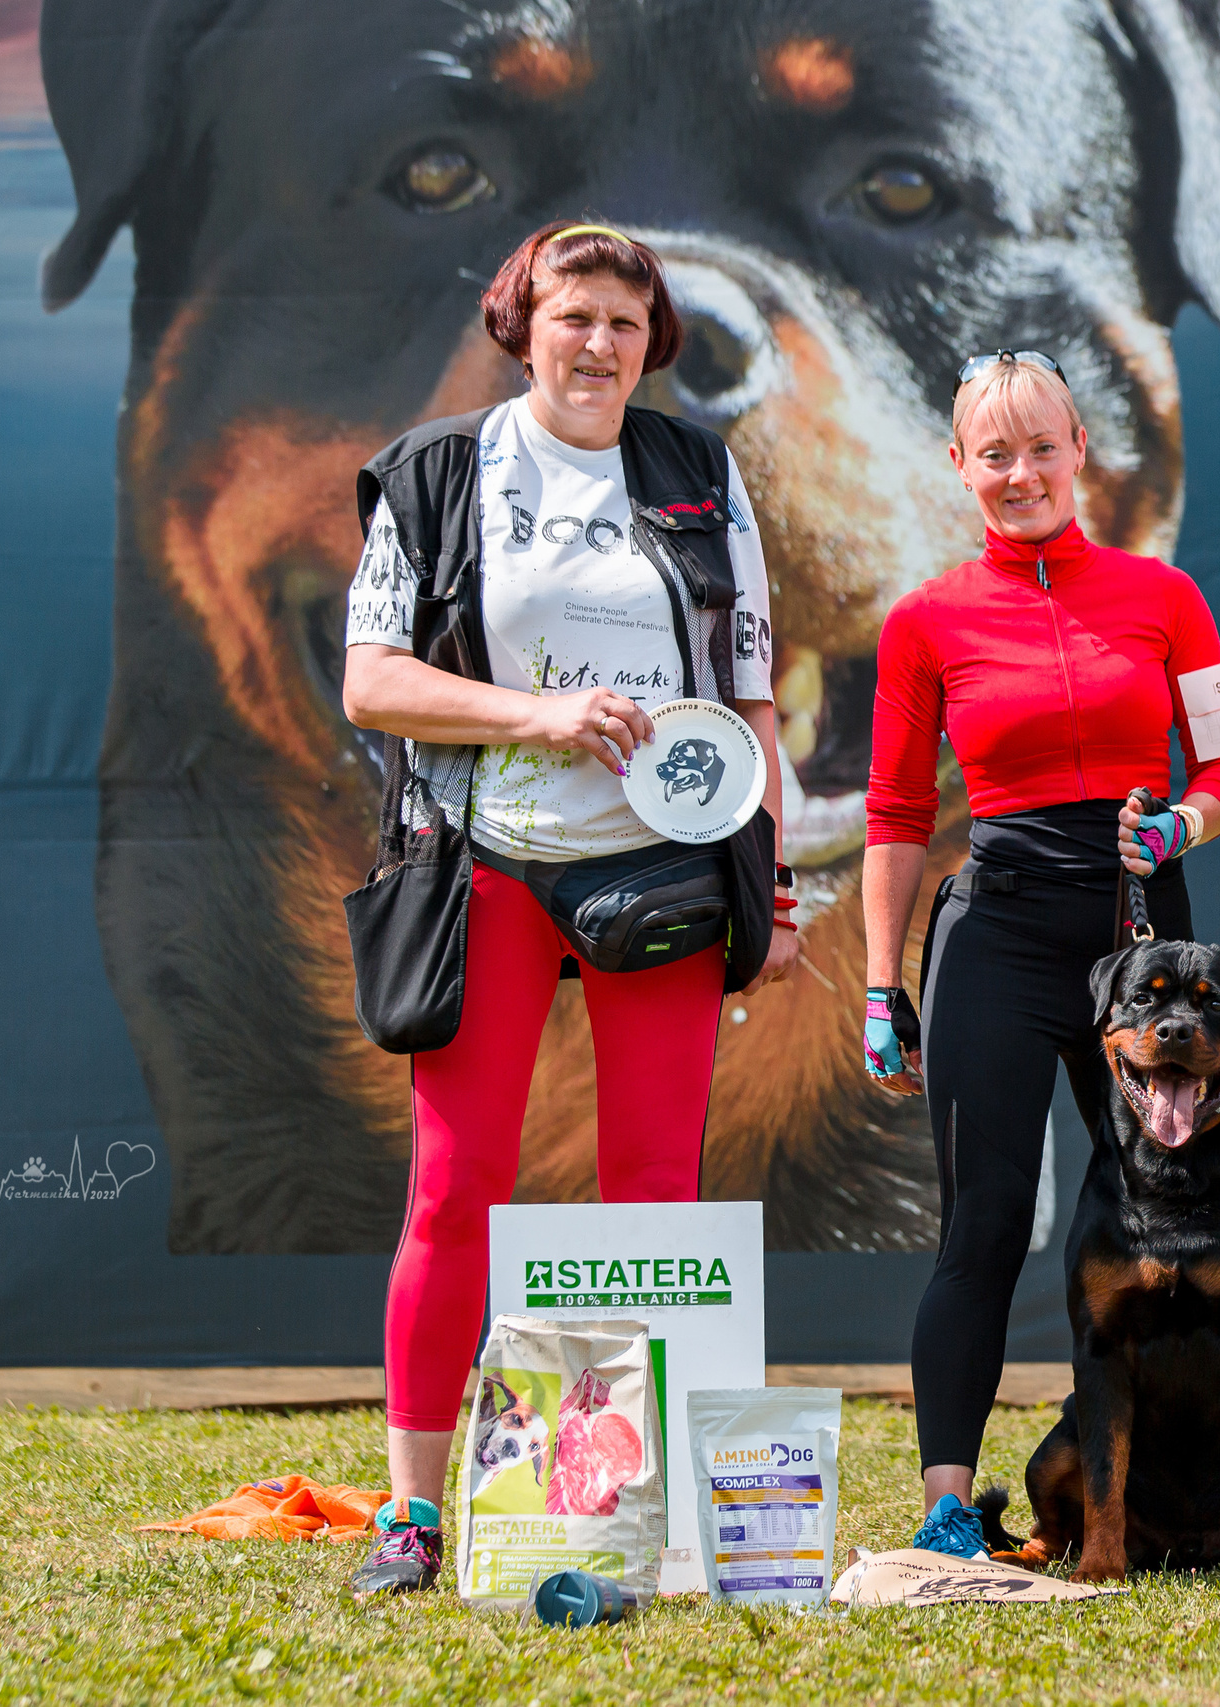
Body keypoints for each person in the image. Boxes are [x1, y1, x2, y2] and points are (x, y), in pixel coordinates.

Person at [339, 221, 801, 1596]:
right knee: (451, 1189)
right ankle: (412, 1514)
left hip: (660, 864)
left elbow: (755, 698)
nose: (594, 340)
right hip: (486, 857)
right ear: (519, 323)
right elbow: (371, 679)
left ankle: (626, 1507)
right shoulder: (436, 470)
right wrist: (537, 713)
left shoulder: (700, 469)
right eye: (570, 313)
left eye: (621, 319)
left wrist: (768, 879)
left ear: (651, 340)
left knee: (651, 1192)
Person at [863, 352, 1220, 1556]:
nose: (1022, 473)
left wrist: (1179, 824)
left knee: (1171, 1223)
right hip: (1000, 934)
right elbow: (889, 814)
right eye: (996, 454)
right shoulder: (924, 618)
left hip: (1144, 939)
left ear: (1082, 450)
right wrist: (883, 986)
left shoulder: (1165, 594)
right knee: (981, 1224)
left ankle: (1188, 1493)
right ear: (960, 467)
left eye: (1043, 447)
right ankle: (947, 1505)